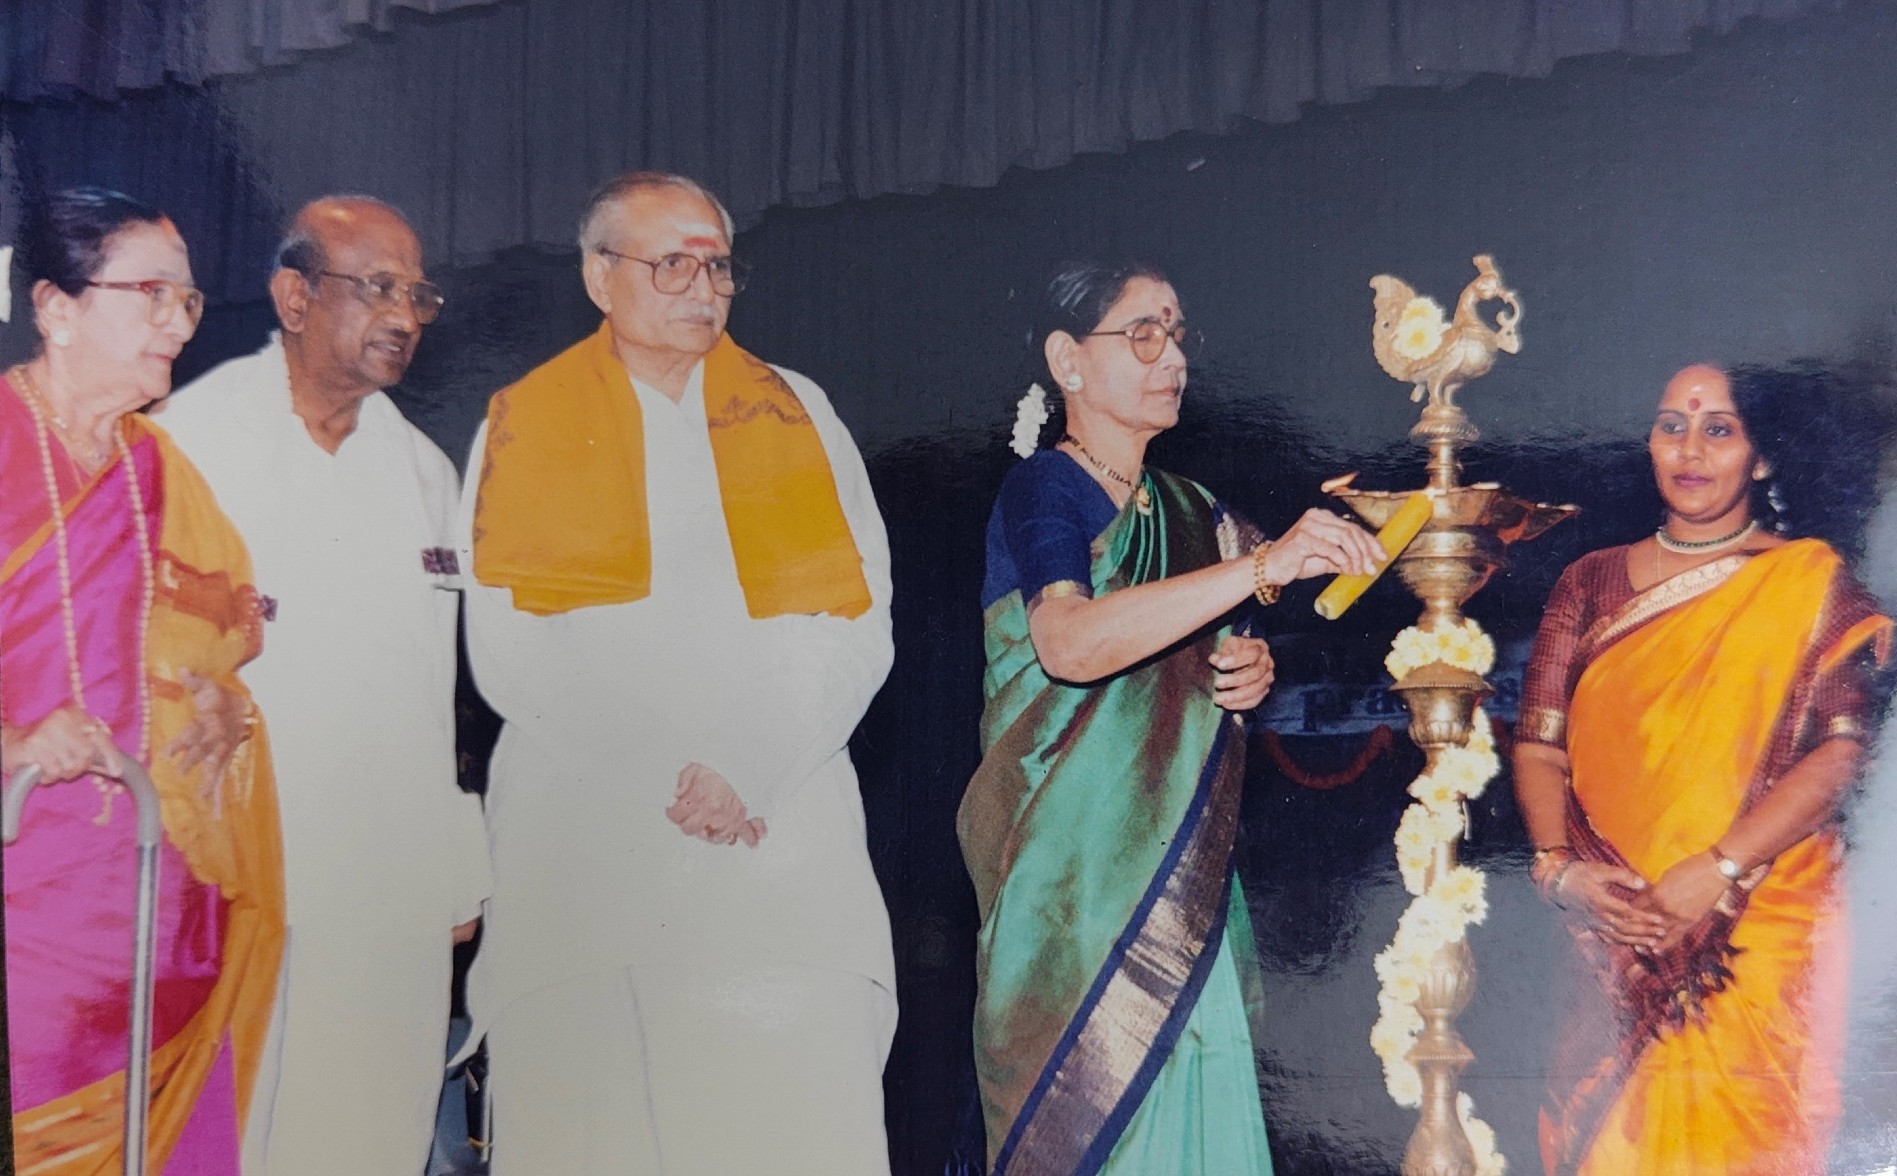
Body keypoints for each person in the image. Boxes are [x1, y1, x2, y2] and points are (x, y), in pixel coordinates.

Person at [459, 171, 896, 1174]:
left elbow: (852, 623)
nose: (703, 288)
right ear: (598, 277)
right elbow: (513, 650)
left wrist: (747, 763)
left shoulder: (795, 413)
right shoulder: (524, 423)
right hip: (594, 851)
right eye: (671, 265)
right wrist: (667, 769)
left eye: (717, 265)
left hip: (776, 851)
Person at [956, 260, 1385, 1174]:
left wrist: (1248, 666)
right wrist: (1263, 569)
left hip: (1177, 883)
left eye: (1177, 334)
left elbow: (1212, 631)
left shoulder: (1189, 511)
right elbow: (1068, 645)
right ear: (1068, 361)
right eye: (1142, 333)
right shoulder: (1045, 489)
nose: (1172, 356)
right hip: (1071, 895)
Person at [157, 196, 491, 1176]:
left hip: (387, 891)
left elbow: (435, 693)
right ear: (294, 297)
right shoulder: (188, 443)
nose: (404, 316)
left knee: (371, 1142)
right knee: (230, 1143)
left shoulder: (425, 474)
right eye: (376, 288)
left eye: (417, 295)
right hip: (235, 877)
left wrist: (452, 863)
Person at [1515, 362, 1890, 1175]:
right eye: (1670, 426)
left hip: (1757, 928)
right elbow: (1540, 744)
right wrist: (1558, 871)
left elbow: (1841, 750)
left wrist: (1715, 869)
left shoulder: (1809, 583)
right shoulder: (1588, 582)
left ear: (1761, 455)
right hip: (1609, 927)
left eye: (1718, 429)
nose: (1689, 450)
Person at [0, 187, 284, 1174]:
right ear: (56, 307)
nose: (179, 322)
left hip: (160, 891)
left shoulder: (157, 467)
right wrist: (13, 742)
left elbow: (216, 647)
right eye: (151, 293)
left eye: (189, 299)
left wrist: (219, 704)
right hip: (24, 894)